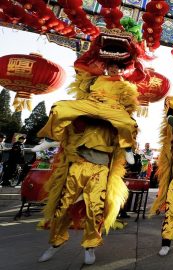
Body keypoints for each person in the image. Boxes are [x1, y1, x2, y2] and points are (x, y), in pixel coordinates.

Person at [38, 117, 128, 265]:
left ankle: (90, 245)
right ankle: (56, 241)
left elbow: (128, 131)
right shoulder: (83, 112)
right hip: (78, 164)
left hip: (100, 168)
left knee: (95, 208)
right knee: (63, 206)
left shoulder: (115, 115)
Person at [31, 62, 139, 165]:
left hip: (112, 107)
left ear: (122, 70)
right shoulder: (97, 78)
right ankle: (51, 139)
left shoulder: (126, 85)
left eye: (117, 67)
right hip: (91, 104)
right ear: (107, 67)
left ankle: (127, 149)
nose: (113, 69)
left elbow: (129, 102)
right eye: (111, 66)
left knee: (129, 124)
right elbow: (81, 68)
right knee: (59, 107)